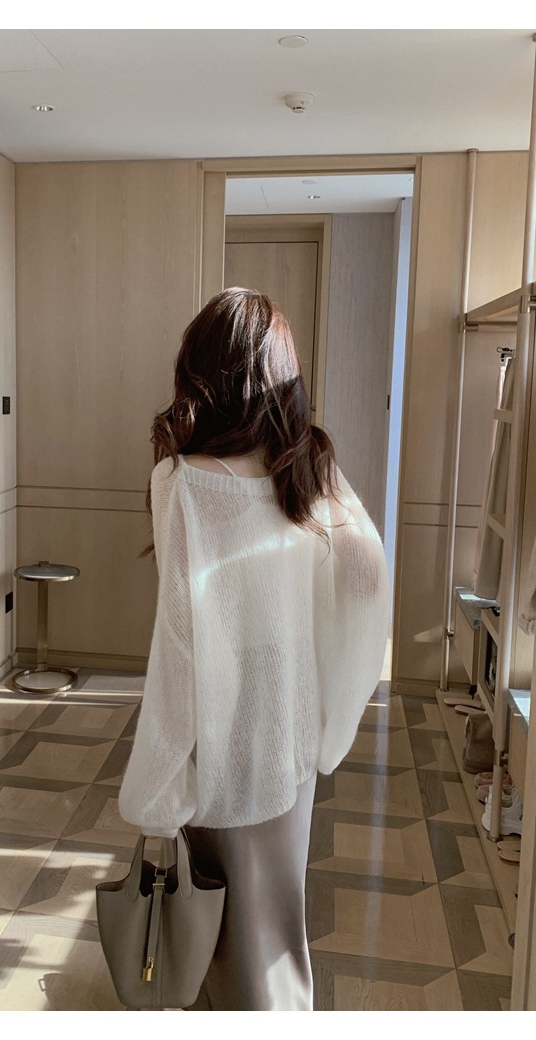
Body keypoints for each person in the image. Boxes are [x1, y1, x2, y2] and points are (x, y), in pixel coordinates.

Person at [118, 287, 390, 1011]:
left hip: (220, 729)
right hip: (289, 730)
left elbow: (181, 649)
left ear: (200, 369)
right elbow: (368, 578)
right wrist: (327, 711)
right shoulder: (303, 467)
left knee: (219, 936)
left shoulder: (182, 482)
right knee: (275, 926)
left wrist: (157, 794)